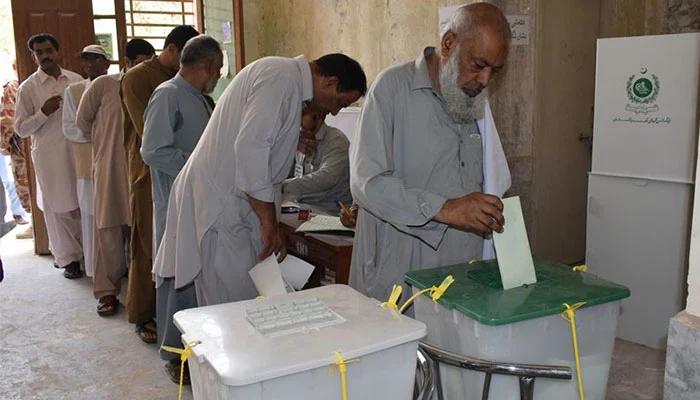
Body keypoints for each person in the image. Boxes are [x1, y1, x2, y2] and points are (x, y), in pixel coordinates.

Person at [153, 53, 366, 310]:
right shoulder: (280, 78)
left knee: (245, 302)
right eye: (340, 103)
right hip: (222, 208)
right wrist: (269, 224)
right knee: (233, 309)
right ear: (330, 83)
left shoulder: (286, 81)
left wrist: (290, 140)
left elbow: (256, 138)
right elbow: (250, 150)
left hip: (233, 205)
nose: (334, 111)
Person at [349, 3, 512, 302]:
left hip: (461, 274)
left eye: (494, 71)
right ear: (448, 44)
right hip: (399, 272)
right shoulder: (391, 89)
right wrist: (445, 208)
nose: (485, 80)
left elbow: (489, 179)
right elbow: (366, 183)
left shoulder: (476, 100)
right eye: (478, 65)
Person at [140, 34, 222, 383]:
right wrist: (196, 167)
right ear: (206, 66)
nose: (218, 76)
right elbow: (153, 150)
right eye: (217, 69)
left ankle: (199, 346)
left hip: (200, 202)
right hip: (176, 202)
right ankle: (175, 356)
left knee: (197, 274)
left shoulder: (201, 100)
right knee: (177, 277)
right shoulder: (168, 94)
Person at [121, 25, 199, 343]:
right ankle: (142, 314)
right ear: (172, 49)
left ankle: (170, 314)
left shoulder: (184, 84)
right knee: (148, 243)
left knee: (174, 246)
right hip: (147, 171)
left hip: (179, 174)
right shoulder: (139, 78)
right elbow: (148, 136)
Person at [74, 39, 155, 317]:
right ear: (127, 61)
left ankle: (138, 290)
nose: (143, 67)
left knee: (140, 230)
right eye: (139, 61)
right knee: (107, 229)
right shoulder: (104, 85)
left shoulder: (152, 87)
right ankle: (107, 292)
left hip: (141, 169)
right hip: (110, 167)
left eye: (149, 61)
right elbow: (82, 123)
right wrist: (104, 148)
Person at [14, 33, 84, 278]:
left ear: (58, 52)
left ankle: (87, 254)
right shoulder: (28, 88)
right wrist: (43, 113)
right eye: (38, 53)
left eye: (47, 51)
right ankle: (68, 260)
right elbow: (20, 128)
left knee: (81, 202)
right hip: (49, 156)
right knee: (57, 207)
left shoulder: (75, 81)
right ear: (33, 57)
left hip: (77, 153)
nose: (44, 56)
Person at [62, 45, 110, 279]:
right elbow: (71, 129)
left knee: (114, 220)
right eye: (86, 60)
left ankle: (119, 269)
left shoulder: (117, 86)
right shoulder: (73, 91)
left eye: (96, 59)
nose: (90, 64)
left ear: (107, 63)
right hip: (87, 166)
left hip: (112, 165)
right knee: (91, 218)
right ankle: (94, 270)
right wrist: (100, 135)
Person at [282, 104, 351, 214]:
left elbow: (327, 178)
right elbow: (287, 173)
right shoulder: (301, 137)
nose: (297, 122)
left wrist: (283, 186)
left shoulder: (336, 140)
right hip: (304, 205)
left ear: (318, 116)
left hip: (330, 211)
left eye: (302, 115)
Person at [0, 61, 32, 239]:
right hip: (30, 141)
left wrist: (4, 144)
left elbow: (7, 118)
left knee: (26, 183)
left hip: (21, 144)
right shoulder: (26, 84)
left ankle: (37, 226)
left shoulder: (13, 86)